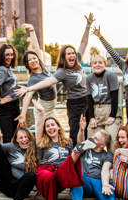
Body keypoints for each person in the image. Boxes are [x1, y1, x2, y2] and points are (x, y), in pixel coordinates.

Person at [16, 14, 95, 145]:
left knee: (62, 132)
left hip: (75, 102)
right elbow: (42, 86)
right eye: (68, 53)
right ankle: (42, 156)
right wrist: (23, 112)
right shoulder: (52, 74)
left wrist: (88, 26)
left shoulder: (45, 68)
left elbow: (83, 43)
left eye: (72, 53)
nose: (33, 60)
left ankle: (62, 154)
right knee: (44, 135)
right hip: (46, 108)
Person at [68, 122, 128, 200]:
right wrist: (82, 130)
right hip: (85, 183)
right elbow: (79, 145)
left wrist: (105, 184)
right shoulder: (86, 149)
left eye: (96, 138)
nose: (93, 139)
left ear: (102, 144)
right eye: (93, 137)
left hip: (99, 181)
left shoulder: (107, 155)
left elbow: (105, 170)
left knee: (109, 195)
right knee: (77, 177)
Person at [32, 101, 84, 200]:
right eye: (47, 126)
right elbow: (39, 127)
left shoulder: (68, 142)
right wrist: (41, 112)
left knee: (76, 153)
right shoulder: (42, 143)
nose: (50, 128)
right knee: (48, 175)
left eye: (52, 125)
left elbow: (78, 148)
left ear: (58, 127)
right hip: (46, 171)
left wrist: (81, 130)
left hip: (63, 172)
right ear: (45, 130)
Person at [85, 53, 122, 141]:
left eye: (100, 62)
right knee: (92, 141)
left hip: (109, 108)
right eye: (95, 63)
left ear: (105, 64)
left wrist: (112, 115)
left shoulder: (110, 75)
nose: (97, 64)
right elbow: (89, 99)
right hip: (96, 111)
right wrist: (92, 117)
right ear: (91, 65)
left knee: (112, 140)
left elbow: (114, 97)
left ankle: (113, 154)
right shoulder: (89, 78)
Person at [16, 50, 58, 127]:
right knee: (41, 135)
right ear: (27, 64)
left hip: (51, 108)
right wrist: (23, 114)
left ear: (38, 58)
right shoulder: (33, 79)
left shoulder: (43, 67)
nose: (33, 61)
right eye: (29, 60)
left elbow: (36, 46)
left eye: (34, 58)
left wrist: (33, 36)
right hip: (43, 109)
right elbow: (28, 96)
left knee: (57, 131)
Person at [0, 43, 21, 143]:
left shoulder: (8, 69)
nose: (10, 57)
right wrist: (0, 99)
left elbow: (8, 86)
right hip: (6, 109)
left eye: (11, 54)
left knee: (14, 136)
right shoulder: (3, 70)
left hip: (14, 107)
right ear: (2, 56)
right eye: (7, 55)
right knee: (8, 138)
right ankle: (7, 158)